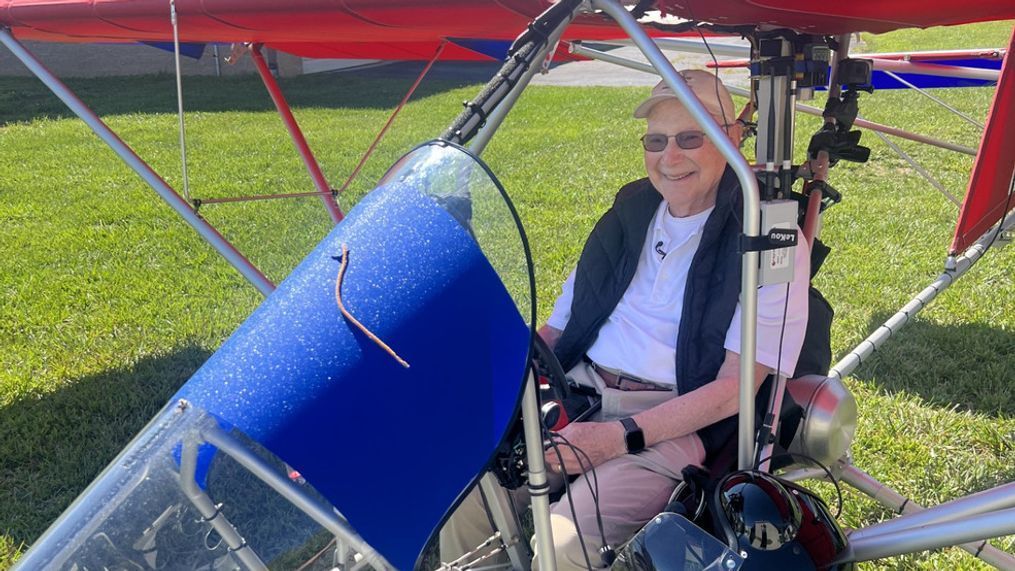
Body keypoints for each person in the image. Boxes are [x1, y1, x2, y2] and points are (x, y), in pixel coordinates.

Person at [441, 70, 812, 570]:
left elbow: (736, 387)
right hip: (579, 393)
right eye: (655, 141)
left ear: (729, 139)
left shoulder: (768, 236)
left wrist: (621, 436)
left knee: (564, 544)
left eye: (689, 138)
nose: (669, 157)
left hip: (671, 416)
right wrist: (510, 380)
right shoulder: (630, 211)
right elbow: (557, 330)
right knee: (467, 484)